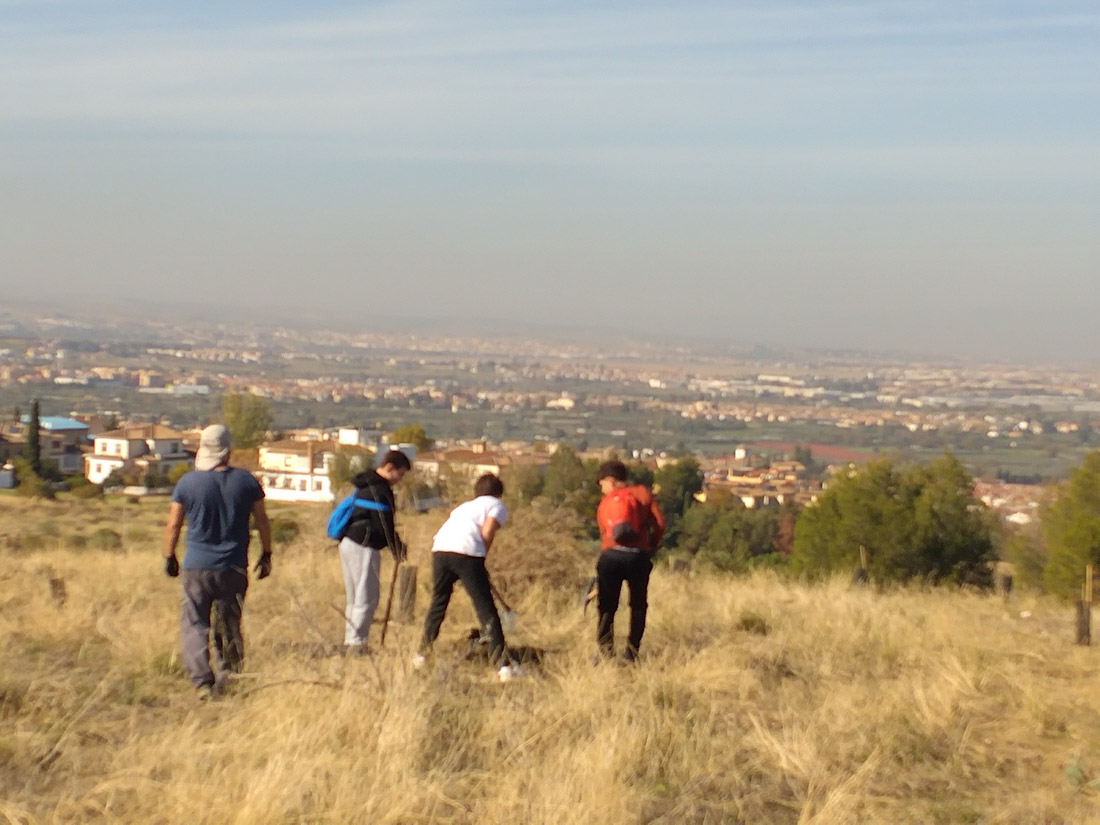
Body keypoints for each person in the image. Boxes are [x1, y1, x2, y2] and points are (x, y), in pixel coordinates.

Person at [163, 424, 271, 699]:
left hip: (196, 565)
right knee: (229, 622)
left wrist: (169, 555)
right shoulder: (247, 482)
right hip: (234, 565)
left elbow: (174, 523)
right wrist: (266, 553)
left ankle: (202, 681)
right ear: (228, 450)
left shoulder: (187, 483)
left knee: (195, 622)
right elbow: (262, 520)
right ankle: (230, 675)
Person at [418, 473, 510, 674]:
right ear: (498, 494)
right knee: (485, 607)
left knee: (438, 602)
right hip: (468, 551)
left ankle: (421, 654)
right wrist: (481, 558)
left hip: (440, 550)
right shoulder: (496, 505)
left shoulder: (463, 507)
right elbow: (487, 532)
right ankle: (502, 665)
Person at [338, 449, 410, 655]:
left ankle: (351, 639)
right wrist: (397, 548)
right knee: (366, 597)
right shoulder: (380, 490)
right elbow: (384, 525)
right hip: (364, 546)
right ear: (389, 468)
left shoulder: (364, 483)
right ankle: (357, 645)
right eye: (400, 474)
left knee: (354, 597)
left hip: (349, 544)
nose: (400, 479)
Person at [593, 460, 665, 662]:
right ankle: (632, 652)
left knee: (607, 606)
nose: (602, 489)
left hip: (610, 556)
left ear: (611, 480)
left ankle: (605, 652)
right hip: (638, 556)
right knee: (638, 604)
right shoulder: (642, 493)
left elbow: (603, 531)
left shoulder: (607, 502)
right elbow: (660, 523)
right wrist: (651, 545)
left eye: (602, 485)